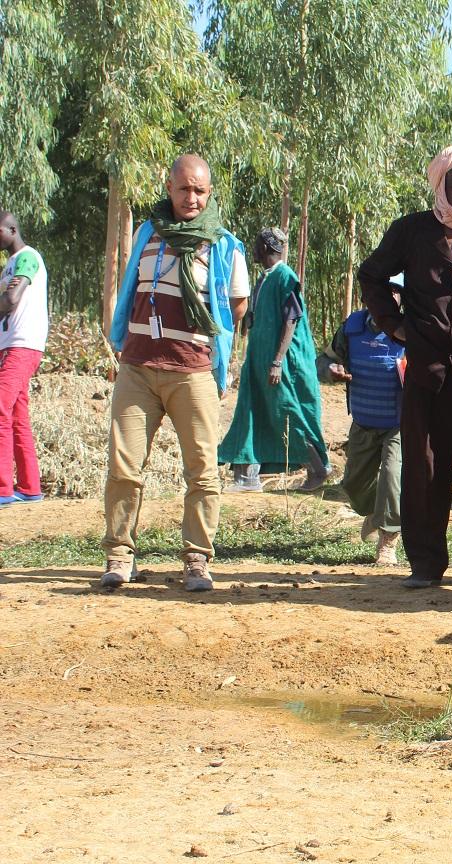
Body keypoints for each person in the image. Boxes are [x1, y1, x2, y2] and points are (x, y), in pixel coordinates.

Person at [358, 144, 452, 589]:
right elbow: (372, 275)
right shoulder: (412, 231)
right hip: (427, 372)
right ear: (440, 186)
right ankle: (425, 563)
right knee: (424, 470)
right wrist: (394, 325)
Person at [102, 154, 251, 591]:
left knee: (202, 470)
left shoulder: (225, 245)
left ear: (209, 192)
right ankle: (119, 555)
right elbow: (131, 287)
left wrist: (203, 334)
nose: (192, 198)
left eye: (200, 190)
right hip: (137, 367)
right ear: (169, 187)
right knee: (124, 467)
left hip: (193, 371)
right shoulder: (147, 234)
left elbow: (237, 304)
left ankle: (197, 559)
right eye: (184, 188)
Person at [219, 228, 329, 492]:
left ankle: (317, 469)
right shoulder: (264, 278)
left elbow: (291, 320)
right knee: (251, 409)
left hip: (282, 364)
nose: (254, 251)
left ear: (267, 247)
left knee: (286, 413)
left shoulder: (285, 276)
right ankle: (247, 478)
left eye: (257, 246)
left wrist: (278, 361)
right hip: (259, 359)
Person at [317, 306, 405, 565]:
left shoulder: (410, 328)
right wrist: (331, 370)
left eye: (396, 291)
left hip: (398, 424)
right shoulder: (351, 329)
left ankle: (388, 540)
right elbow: (323, 361)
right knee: (354, 485)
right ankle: (375, 512)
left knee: (392, 476)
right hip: (363, 421)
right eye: (384, 291)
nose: (390, 297)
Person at [0, 211, 48, 506]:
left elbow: (10, 299)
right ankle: (30, 487)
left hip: (23, 344)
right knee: (17, 415)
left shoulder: (28, 257)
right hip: (11, 344)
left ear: (12, 230)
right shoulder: (9, 264)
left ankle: (2, 487)